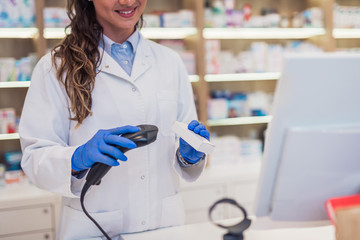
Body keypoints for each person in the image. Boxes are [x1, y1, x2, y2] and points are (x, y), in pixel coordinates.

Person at [19, 0, 210, 239]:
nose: (127, 1)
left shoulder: (170, 62)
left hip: (164, 227)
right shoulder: (55, 67)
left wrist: (188, 156)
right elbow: (34, 156)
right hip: (93, 227)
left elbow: (180, 141)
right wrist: (76, 159)